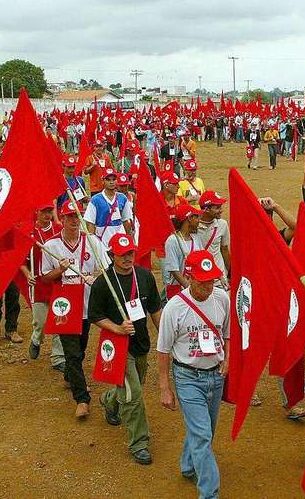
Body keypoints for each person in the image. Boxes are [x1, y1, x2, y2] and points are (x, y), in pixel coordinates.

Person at [157, 250, 229, 499]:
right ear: (189, 277)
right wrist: (165, 388)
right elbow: (163, 350)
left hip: (216, 375)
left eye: (212, 280)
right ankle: (209, 493)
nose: (208, 287)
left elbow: (227, 333)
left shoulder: (222, 299)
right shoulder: (174, 308)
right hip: (188, 377)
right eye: (202, 281)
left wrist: (228, 359)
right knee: (202, 435)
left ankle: (188, 465)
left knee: (205, 430)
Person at [89, 234, 162, 465]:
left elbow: (155, 309)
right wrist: (117, 329)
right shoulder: (103, 283)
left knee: (134, 385)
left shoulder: (145, 276)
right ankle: (139, 443)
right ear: (112, 256)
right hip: (119, 345)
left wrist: (164, 337)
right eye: (122, 255)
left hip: (141, 343)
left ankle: (110, 400)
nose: (128, 258)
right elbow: (95, 316)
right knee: (134, 396)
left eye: (131, 253)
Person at [41, 201, 109, 419]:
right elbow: (44, 276)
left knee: (81, 344)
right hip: (65, 305)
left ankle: (71, 375)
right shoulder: (50, 245)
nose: (73, 220)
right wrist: (58, 271)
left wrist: (95, 276)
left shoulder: (92, 241)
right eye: (69, 216)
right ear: (61, 218)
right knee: (72, 351)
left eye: (76, 216)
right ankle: (82, 399)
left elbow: (106, 267)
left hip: (88, 303)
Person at [22, 204, 66, 371]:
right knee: (40, 322)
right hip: (39, 285)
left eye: (50, 211)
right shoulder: (30, 233)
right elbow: (22, 262)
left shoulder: (59, 229)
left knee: (59, 320)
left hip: (57, 282)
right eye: (44, 212)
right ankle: (36, 338)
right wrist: (28, 274)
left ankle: (58, 358)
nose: (47, 215)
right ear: (37, 212)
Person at [84, 168, 134, 246]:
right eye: (108, 179)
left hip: (120, 240)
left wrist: (129, 238)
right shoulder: (95, 199)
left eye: (114, 179)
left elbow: (126, 220)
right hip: (103, 240)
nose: (111, 182)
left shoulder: (122, 198)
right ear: (103, 181)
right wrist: (93, 243)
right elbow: (90, 223)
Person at [163, 204, 203, 299]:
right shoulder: (173, 240)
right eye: (196, 217)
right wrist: (189, 289)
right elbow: (174, 270)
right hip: (179, 289)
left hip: (196, 287)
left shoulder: (196, 238)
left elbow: (202, 259)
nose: (199, 221)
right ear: (189, 218)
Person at [196, 191, 230, 289]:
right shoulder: (193, 226)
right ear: (206, 209)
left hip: (219, 279)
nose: (221, 210)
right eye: (217, 207)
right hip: (199, 277)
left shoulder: (222, 224)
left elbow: (224, 250)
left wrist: (230, 274)